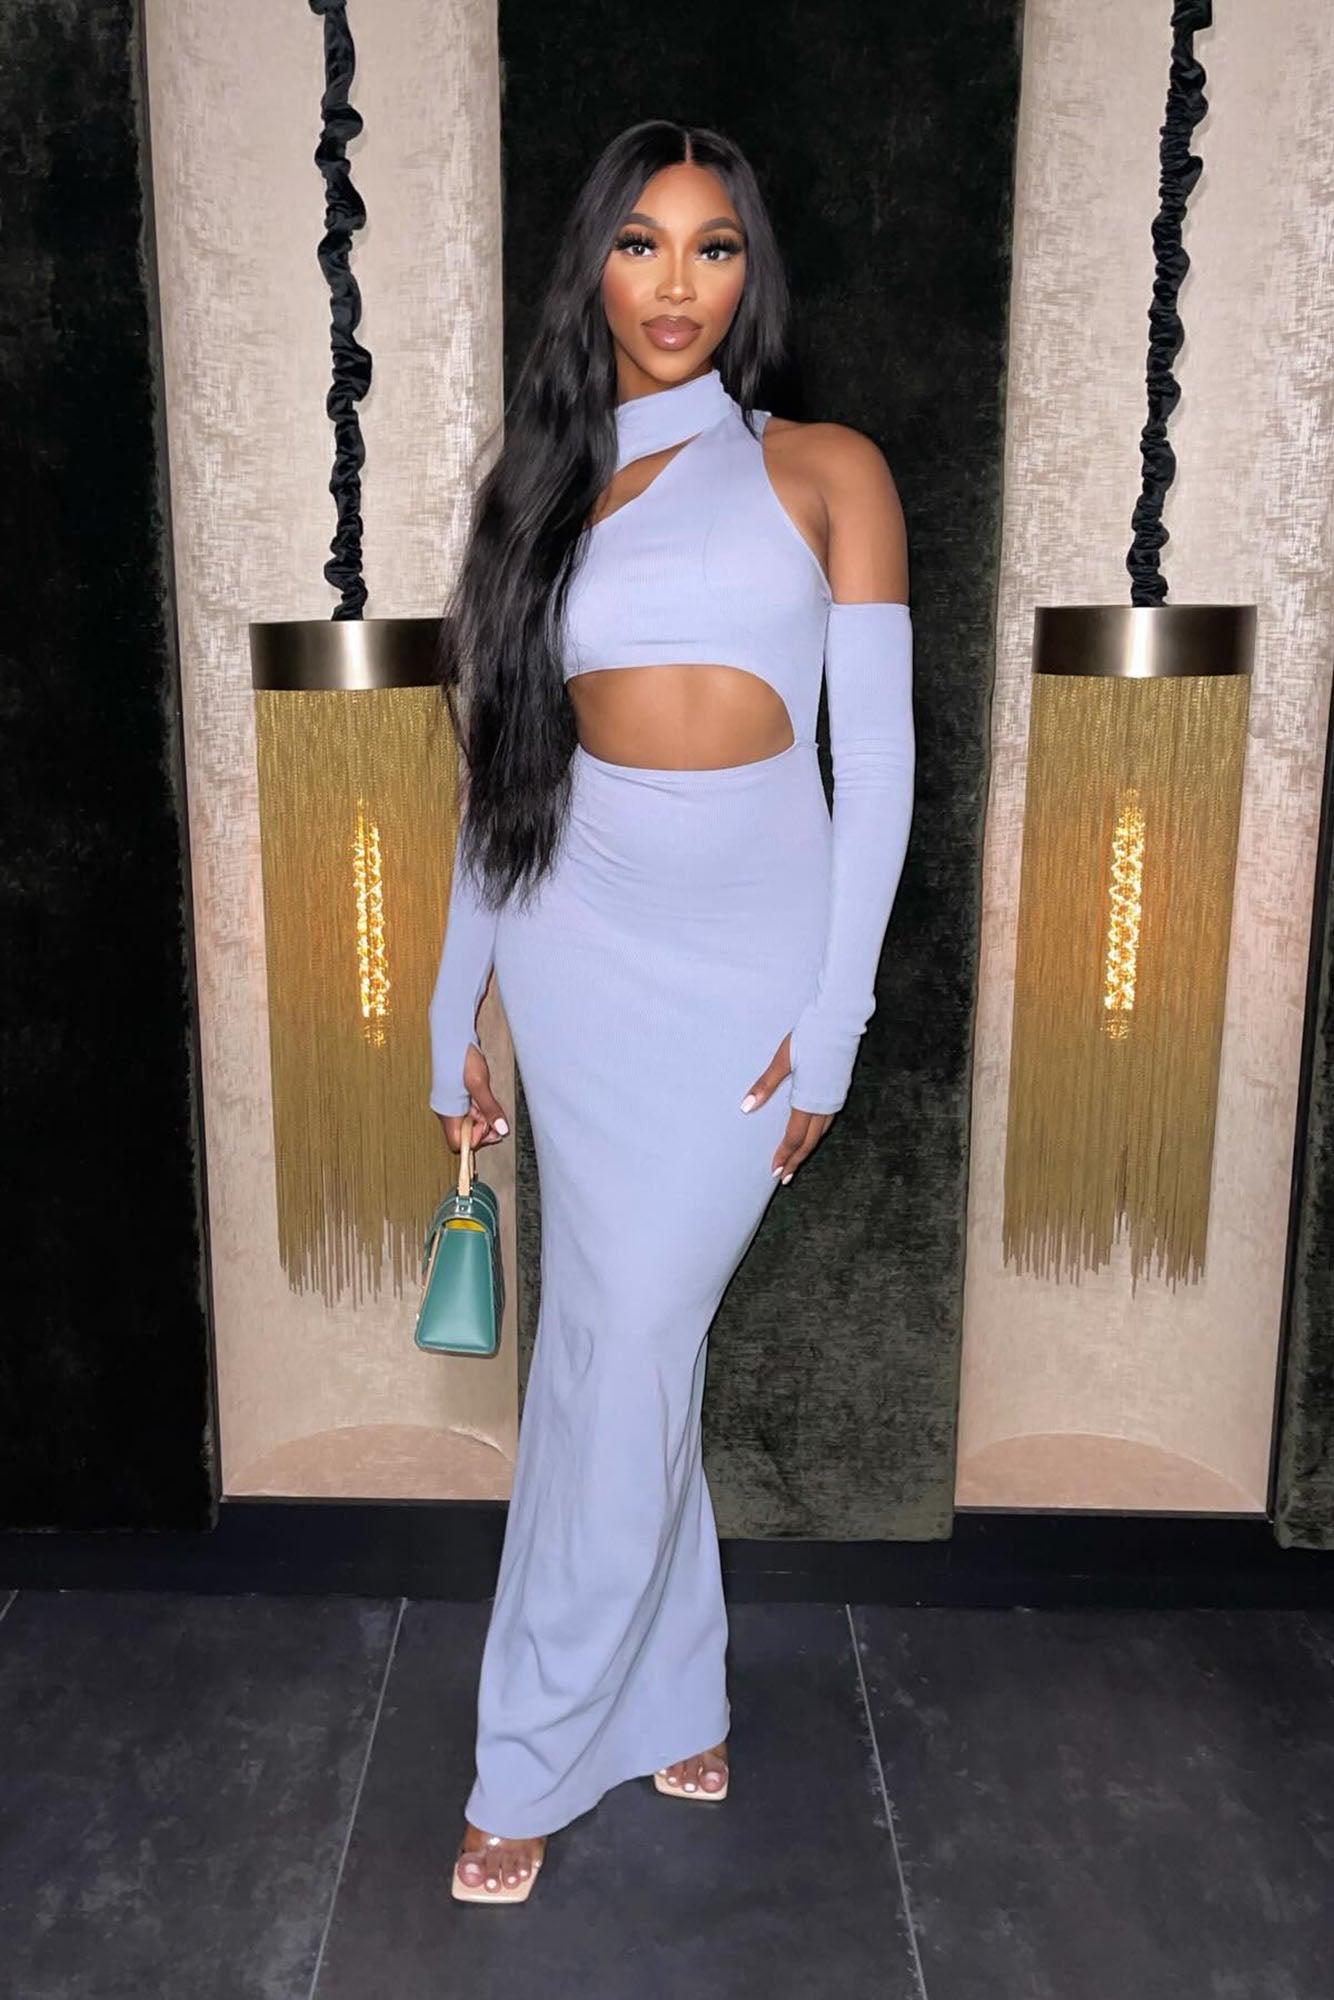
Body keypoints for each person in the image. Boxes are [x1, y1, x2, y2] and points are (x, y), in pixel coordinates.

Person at [429, 117, 913, 1903]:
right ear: (595, 269)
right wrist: (454, 1011)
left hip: (747, 970)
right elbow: (501, 784)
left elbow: (878, 774)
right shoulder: (536, 492)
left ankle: (535, 1747)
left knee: (626, 1339)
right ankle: (649, 1701)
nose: (676, 282)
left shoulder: (824, 470)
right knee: (618, 1345)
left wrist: (835, 1021)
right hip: (576, 944)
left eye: (713, 246)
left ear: (748, 274)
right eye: (641, 243)